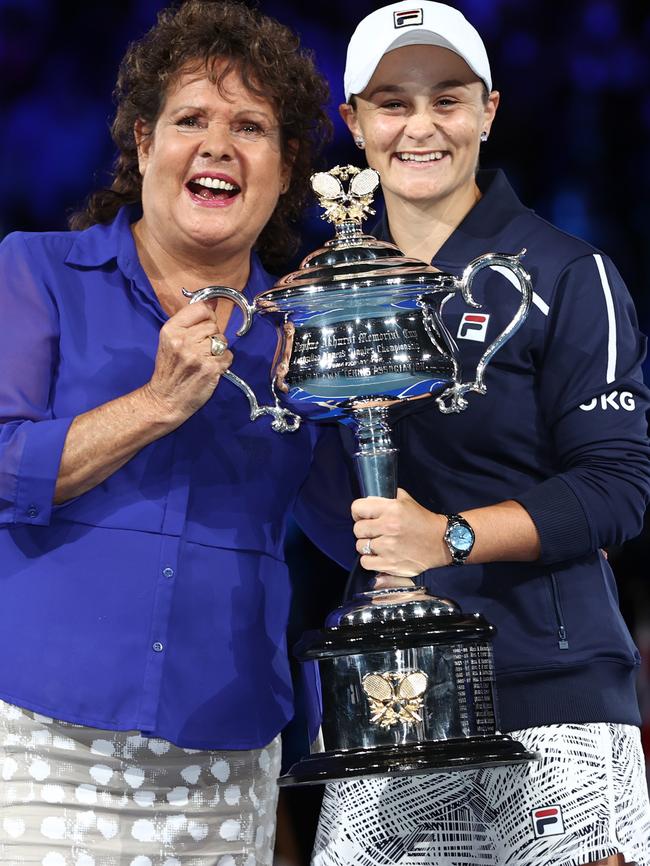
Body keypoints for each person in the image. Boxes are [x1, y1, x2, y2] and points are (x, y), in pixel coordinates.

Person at [0, 2, 355, 864]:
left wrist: (341, 392)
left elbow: (351, 533)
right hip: (40, 738)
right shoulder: (37, 271)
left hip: (226, 751)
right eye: (190, 119)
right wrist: (155, 404)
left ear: (285, 170)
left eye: (252, 126)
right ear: (142, 143)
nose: (218, 144)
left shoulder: (295, 335)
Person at [312, 2, 650, 865]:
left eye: (447, 100)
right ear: (353, 123)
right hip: (388, 698)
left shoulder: (571, 274)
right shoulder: (321, 296)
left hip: (554, 691)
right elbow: (315, 491)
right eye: (392, 102)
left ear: (488, 111)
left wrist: (447, 537)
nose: (420, 127)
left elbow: (616, 489)